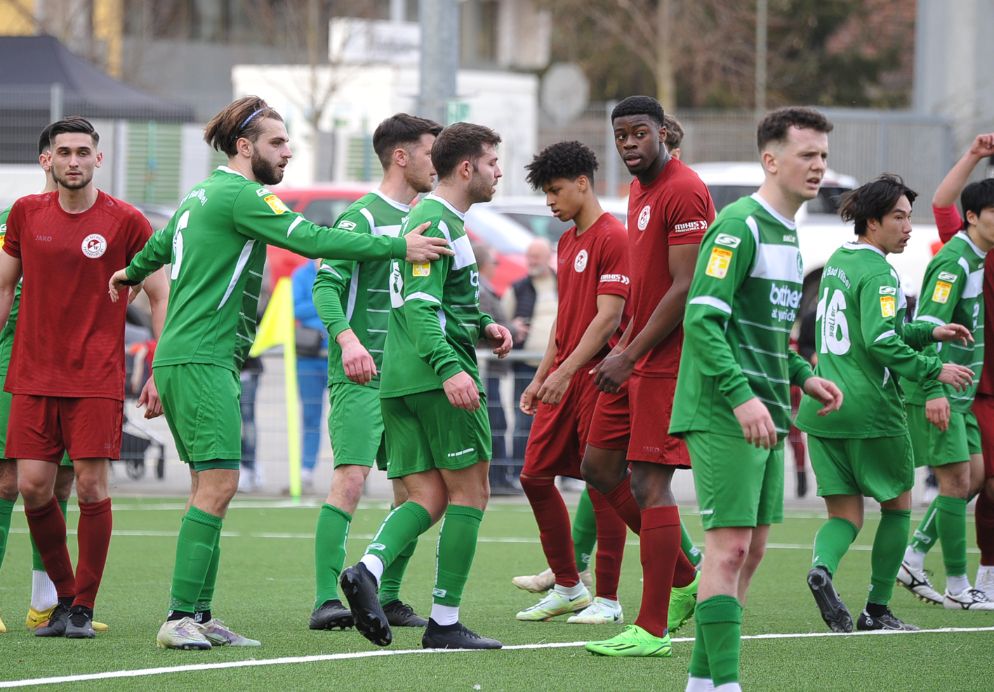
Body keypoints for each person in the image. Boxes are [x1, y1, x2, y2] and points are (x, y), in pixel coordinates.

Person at [108, 96, 451, 651]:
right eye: (278, 142)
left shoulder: (200, 193)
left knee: (208, 487)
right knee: (220, 485)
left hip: (191, 357)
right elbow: (311, 240)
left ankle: (199, 613)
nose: (288, 151)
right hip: (202, 357)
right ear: (245, 148)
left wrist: (128, 273)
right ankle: (178, 616)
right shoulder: (243, 195)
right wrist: (397, 244)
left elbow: (157, 246)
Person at [669, 106, 843, 691]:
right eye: (806, 154)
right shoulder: (739, 225)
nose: (818, 166)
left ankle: (703, 683)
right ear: (770, 159)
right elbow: (702, 321)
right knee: (728, 549)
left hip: (766, 409)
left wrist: (804, 375)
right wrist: (742, 397)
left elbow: (766, 336)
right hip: (724, 408)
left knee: (752, 550)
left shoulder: (789, 235)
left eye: (823, 155)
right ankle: (726, 685)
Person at [339, 122, 512, 651]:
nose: (499, 172)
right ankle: (444, 622)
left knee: (428, 497)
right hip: (436, 377)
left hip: (400, 379)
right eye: (492, 162)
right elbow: (419, 306)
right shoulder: (437, 218)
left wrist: (484, 324)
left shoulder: (433, 218)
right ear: (467, 168)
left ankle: (368, 569)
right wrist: (449, 367)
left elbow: (445, 300)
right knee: (471, 493)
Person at [0, 116, 169, 639]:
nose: (73, 161)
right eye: (64, 152)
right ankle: (65, 596)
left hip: (96, 377)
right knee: (32, 487)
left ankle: (82, 607)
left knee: (91, 487)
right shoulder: (25, 213)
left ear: (98, 157)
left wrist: (160, 368)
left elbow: (159, 294)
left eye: (82, 152)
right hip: (32, 374)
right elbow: (4, 288)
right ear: (48, 159)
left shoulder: (126, 220)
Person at [796, 175, 974, 633]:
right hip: (870, 409)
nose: (908, 227)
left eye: (909, 217)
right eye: (899, 217)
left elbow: (872, 330)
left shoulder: (839, 260)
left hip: (823, 407)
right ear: (872, 222)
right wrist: (933, 369)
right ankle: (876, 610)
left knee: (844, 516)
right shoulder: (879, 272)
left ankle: (822, 569)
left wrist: (929, 331)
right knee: (898, 507)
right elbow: (880, 341)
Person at [580, 95, 713, 658]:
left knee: (650, 484)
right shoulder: (638, 189)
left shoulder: (684, 189)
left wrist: (630, 354)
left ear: (662, 132)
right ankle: (684, 575)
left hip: (666, 358)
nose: (629, 143)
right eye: (621, 135)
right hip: (634, 352)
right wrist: (622, 347)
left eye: (639, 133)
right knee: (598, 466)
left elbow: (685, 287)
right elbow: (649, 282)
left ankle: (652, 629)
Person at [309, 112, 442, 632]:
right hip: (362, 376)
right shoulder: (360, 217)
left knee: (415, 492)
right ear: (401, 157)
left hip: (407, 379)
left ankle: (387, 596)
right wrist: (348, 342)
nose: (438, 163)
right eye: (431, 152)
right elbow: (325, 287)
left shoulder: (426, 217)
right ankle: (327, 600)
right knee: (350, 480)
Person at [513, 141, 631, 626]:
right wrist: (543, 375)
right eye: (545, 193)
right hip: (564, 376)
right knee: (533, 475)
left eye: (555, 190)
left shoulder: (614, 237)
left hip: (599, 379)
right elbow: (567, 319)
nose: (549, 202)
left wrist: (564, 373)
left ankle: (609, 600)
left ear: (583, 183)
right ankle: (567, 586)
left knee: (602, 483)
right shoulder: (567, 242)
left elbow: (608, 319)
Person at [897, 162, 994, 610]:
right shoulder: (954, 262)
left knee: (971, 479)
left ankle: (915, 558)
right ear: (972, 216)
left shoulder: (975, 258)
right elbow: (924, 328)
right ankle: (958, 588)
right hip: (944, 392)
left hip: (963, 394)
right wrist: (934, 388)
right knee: (956, 482)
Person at [504, 238, 557, 464]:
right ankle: (519, 468)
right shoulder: (517, 288)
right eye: (529, 257)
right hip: (526, 364)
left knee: (559, 420)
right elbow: (501, 320)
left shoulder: (562, 283)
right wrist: (511, 328)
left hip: (558, 366)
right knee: (523, 419)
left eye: (536, 257)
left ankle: (561, 471)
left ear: (547, 258)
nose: (531, 261)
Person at [291, 258, 328, 492]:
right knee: (310, 415)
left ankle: (354, 469)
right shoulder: (301, 274)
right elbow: (295, 308)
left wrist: (314, 303)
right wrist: (327, 301)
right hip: (308, 356)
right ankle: (306, 469)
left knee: (346, 414)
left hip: (338, 355)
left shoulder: (341, 267)